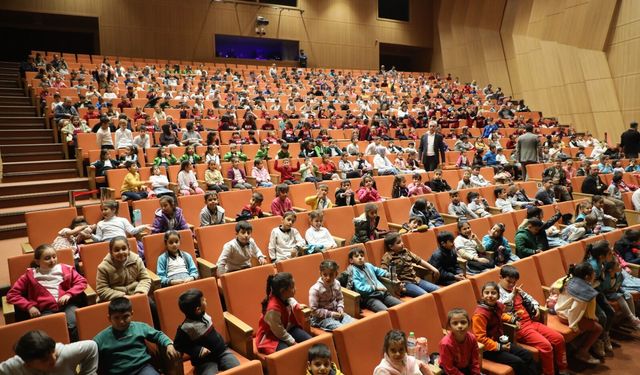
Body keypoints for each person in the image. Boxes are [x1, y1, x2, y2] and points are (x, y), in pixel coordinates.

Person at [6, 244, 87, 341]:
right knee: (48, 330)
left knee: (76, 323)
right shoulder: (30, 275)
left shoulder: (66, 269)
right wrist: (29, 307)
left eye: (54, 257)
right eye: (47, 258)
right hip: (45, 310)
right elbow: (12, 294)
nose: (52, 260)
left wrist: (69, 294)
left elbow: (82, 282)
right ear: (37, 261)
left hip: (67, 305)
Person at [498, 265, 568, 375]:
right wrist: (513, 295)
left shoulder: (518, 291)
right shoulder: (496, 293)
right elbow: (502, 307)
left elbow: (532, 299)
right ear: (500, 278)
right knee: (546, 346)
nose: (511, 285)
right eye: (509, 281)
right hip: (519, 328)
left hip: (531, 322)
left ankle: (562, 369)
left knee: (559, 338)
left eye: (514, 282)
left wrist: (536, 308)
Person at [93, 297, 180, 375]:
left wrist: (168, 344)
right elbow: (90, 353)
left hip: (142, 368)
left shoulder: (140, 327)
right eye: (116, 318)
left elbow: (158, 335)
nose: (121, 321)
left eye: (125, 316)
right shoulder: (101, 338)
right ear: (109, 318)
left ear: (132, 314)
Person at [472, 282, 536, 375]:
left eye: (493, 293)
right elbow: (480, 339)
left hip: (500, 341)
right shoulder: (480, 315)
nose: (490, 296)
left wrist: (512, 319)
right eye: (487, 293)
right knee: (518, 362)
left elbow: (501, 315)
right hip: (487, 349)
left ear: (498, 296)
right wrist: (500, 347)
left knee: (527, 355)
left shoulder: (497, 305)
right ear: (482, 296)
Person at [174, 289, 240, 375]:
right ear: (198, 310)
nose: (206, 300)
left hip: (221, 352)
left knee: (239, 369)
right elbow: (179, 346)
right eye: (203, 300)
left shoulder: (203, 313)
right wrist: (197, 350)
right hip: (205, 361)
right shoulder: (186, 328)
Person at [552, 263, 603, 364]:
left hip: (559, 310)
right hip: (567, 317)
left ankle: (575, 346)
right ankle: (582, 352)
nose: (595, 274)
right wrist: (574, 325)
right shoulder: (583, 290)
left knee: (592, 322)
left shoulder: (570, 279)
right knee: (598, 328)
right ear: (587, 277)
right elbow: (575, 310)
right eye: (593, 273)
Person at [255, 272, 312, 354]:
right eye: (292, 287)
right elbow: (279, 332)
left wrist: (297, 305)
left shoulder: (282, 295)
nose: (295, 289)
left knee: (310, 343)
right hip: (270, 336)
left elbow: (290, 300)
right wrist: (293, 342)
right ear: (283, 291)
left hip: (287, 328)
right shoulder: (273, 309)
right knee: (289, 353)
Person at [0, 330, 98, 375]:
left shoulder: (65, 353)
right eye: (44, 359)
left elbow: (91, 346)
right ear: (28, 364)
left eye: (52, 352)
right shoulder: (14, 366)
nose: (53, 359)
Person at [95, 236, 152, 302]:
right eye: (117, 250)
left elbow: (145, 278)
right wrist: (123, 297)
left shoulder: (136, 260)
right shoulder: (103, 267)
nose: (121, 252)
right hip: (116, 299)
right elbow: (102, 289)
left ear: (129, 249)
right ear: (111, 252)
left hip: (136, 293)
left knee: (152, 307)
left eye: (124, 249)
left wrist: (139, 293)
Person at [345, 247, 402, 312]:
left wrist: (388, 274)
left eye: (362, 255)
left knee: (402, 306)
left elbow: (378, 271)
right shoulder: (353, 271)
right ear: (351, 260)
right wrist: (375, 288)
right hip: (370, 298)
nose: (360, 257)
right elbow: (359, 288)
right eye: (356, 256)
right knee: (385, 312)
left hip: (382, 294)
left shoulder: (368, 265)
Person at [308, 260, 355, 331]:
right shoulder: (315, 289)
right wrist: (331, 314)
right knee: (343, 329)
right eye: (325, 274)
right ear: (320, 274)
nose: (328, 277)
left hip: (336, 313)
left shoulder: (337, 283)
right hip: (321, 318)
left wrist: (340, 308)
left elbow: (340, 299)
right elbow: (314, 311)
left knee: (354, 325)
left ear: (336, 274)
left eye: (331, 275)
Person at [439, 309, 481, 375]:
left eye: (463, 322)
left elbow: (474, 361)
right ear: (449, 326)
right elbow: (449, 368)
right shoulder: (445, 344)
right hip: (450, 371)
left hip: (466, 367)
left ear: (469, 324)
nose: (460, 326)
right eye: (455, 323)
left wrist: (476, 373)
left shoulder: (472, 338)